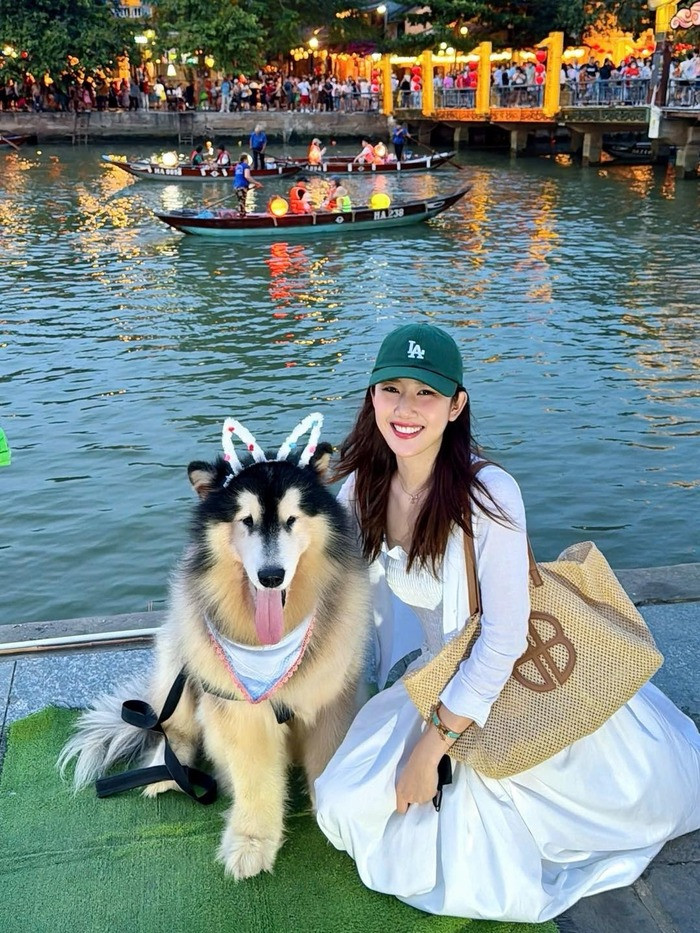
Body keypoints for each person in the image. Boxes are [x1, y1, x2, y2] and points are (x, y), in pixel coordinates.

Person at [315, 322, 700, 923]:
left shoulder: (488, 493)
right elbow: (326, 584)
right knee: (341, 804)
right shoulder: (364, 486)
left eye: (425, 393)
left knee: (454, 860)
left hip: (503, 685)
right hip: (434, 677)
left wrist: (429, 751)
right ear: (372, 396)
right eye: (392, 389)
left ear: (456, 405)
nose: (405, 409)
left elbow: (502, 639)